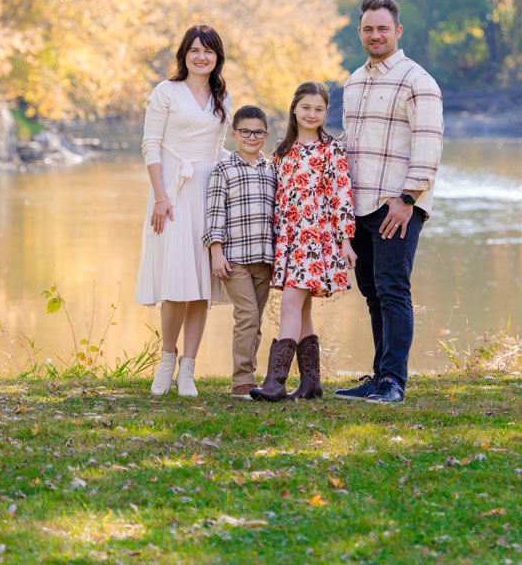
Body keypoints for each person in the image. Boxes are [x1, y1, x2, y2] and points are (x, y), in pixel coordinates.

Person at [335, 0, 443, 405]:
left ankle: (394, 382)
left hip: (394, 203)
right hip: (359, 204)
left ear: (397, 31)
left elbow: (429, 145)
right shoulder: (354, 81)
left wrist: (407, 198)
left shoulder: (418, 81)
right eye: (368, 29)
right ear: (360, 32)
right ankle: (379, 375)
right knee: (371, 290)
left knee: (393, 289)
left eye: (383, 28)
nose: (375, 35)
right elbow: (350, 144)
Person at [135, 24, 232, 397]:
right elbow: (151, 145)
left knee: (200, 286)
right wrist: (161, 196)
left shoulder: (223, 96)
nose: (201, 57)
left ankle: (188, 370)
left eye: (208, 51)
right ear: (184, 55)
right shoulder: (166, 91)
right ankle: (166, 360)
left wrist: (251, 165)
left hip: (209, 192)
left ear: (217, 57)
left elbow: (218, 149)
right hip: (173, 191)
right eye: (194, 50)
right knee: (175, 284)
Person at [251, 82, 356, 402]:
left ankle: (275, 382)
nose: (312, 114)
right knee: (303, 308)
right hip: (288, 238)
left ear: (326, 112)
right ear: (294, 108)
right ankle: (311, 383)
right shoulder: (283, 151)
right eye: (306, 107)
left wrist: (346, 240)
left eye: (319, 109)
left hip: (316, 238)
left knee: (290, 305)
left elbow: (342, 195)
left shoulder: (331, 149)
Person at [203, 105, 277, 398]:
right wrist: (216, 252)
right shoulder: (224, 169)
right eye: (245, 132)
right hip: (235, 259)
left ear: (266, 135)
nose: (251, 137)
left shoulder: (272, 169)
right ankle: (242, 382)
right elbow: (214, 213)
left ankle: (250, 376)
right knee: (247, 316)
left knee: (255, 320)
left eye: (258, 132)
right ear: (234, 134)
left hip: (264, 258)